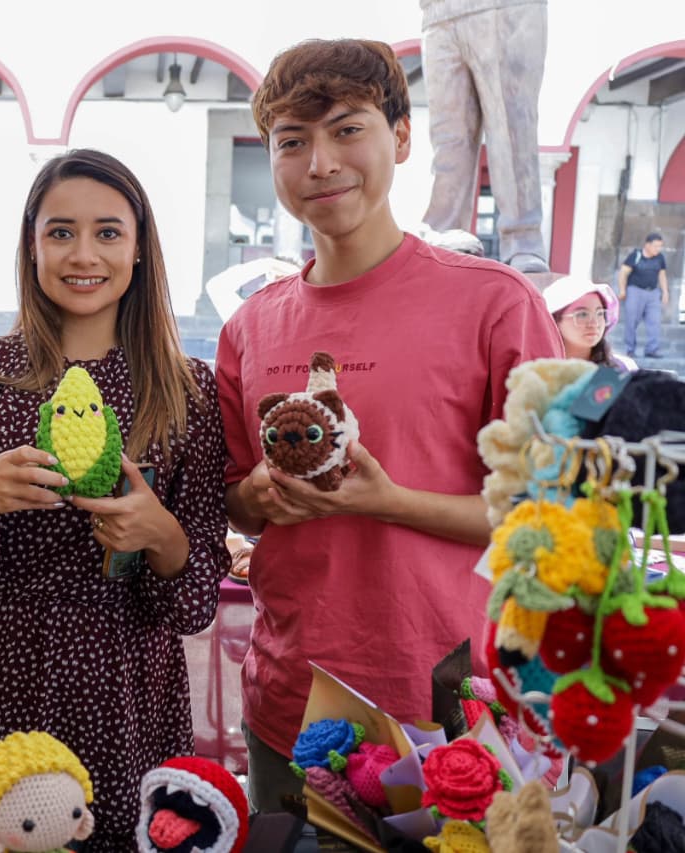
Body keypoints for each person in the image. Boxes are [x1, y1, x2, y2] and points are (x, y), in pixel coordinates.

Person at [215, 39, 563, 815]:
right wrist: (259, 494)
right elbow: (235, 498)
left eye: (347, 129)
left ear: (401, 137)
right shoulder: (249, 327)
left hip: (448, 708)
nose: (321, 163)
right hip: (289, 703)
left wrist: (387, 500)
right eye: (292, 142)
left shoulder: (496, 304)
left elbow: (546, 518)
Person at [0, 149, 230, 849]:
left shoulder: (188, 389)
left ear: (140, 248)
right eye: (60, 232)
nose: (83, 254)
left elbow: (196, 602)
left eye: (108, 232)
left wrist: (161, 535)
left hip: (129, 693)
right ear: (31, 245)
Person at [419, 0, 549, 272]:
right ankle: (445, 232)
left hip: (503, 8)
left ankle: (523, 240)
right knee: (448, 139)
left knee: (511, 128)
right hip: (436, 13)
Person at [543, 276, 636, 371]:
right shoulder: (539, 373)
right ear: (554, 321)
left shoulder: (624, 369)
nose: (595, 323)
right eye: (582, 314)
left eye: (600, 313)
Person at [618, 232, 670, 359]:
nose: (658, 249)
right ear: (647, 245)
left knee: (655, 321)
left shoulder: (660, 258)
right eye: (656, 246)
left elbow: (662, 275)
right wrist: (622, 290)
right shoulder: (635, 256)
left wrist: (665, 291)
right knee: (632, 321)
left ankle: (652, 349)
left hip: (653, 293)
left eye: (660, 246)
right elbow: (623, 273)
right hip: (635, 291)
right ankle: (630, 349)